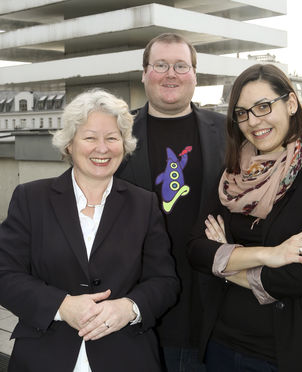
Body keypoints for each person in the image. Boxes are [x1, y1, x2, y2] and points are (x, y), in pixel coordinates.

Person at [187, 64, 302, 372]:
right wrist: (271, 254)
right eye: (242, 113)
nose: (253, 121)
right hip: (222, 345)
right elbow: (197, 251)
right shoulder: (230, 177)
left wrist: (224, 262)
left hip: (292, 352)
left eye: (263, 106)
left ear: (290, 104)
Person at [0, 89, 179, 372]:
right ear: (69, 144)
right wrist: (61, 306)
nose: (102, 148)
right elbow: (5, 274)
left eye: (112, 138)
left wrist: (129, 308)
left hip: (126, 357)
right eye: (90, 138)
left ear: (124, 143)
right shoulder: (30, 198)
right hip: (43, 357)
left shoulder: (144, 203)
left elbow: (165, 282)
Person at [115, 33, 226, 371]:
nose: (171, 74)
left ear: (195, 74)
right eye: (160, 65)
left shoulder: (227, 131)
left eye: (181, 65)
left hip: (209, 304)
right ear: (145, 73)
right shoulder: (118, 133)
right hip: (136, 303)